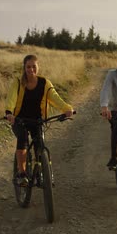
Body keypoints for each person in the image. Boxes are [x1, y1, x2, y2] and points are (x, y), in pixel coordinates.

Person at [5, 54, 74, 185]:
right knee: (23, 140)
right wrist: (9, 112)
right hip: (20, 120)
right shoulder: (18, 82)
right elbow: (11, 98)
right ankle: (22, 173)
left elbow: (55, 97)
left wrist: (67, 109)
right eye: (28, 67)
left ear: (38, 67)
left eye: (33, 66)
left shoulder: (44, 83)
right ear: (24, 68)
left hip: (37, 120)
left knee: (39, 144)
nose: (31, 69)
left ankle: (42, 172)